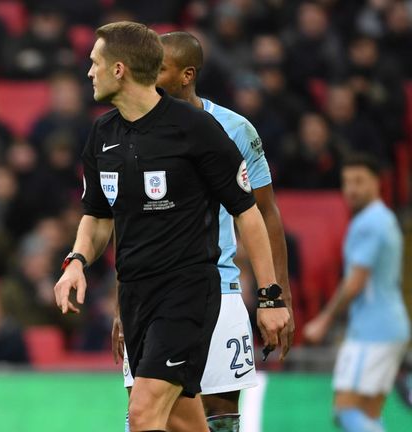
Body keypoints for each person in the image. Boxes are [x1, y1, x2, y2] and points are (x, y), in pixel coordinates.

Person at [53, 22, 289, 432]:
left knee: (144, 414)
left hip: (186, 294)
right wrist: (76, 260)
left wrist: (270, 297)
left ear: (119, 69)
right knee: (183, 420)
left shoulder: (196, 129)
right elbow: (97, 215)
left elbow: (248, 212)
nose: (88, 72)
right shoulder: (101, 133)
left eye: (95, 63)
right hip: (134, 297)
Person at [304, 154, 410, 432]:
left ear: (377, 183)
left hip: (372, 330)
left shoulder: (369, 223)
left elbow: (355, 281)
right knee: (369, 412)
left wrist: (323, 320)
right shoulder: (383, 219)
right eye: (347, 182)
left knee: (347, 410)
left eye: (359, 181)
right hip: (390, 326)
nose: (351, 189)